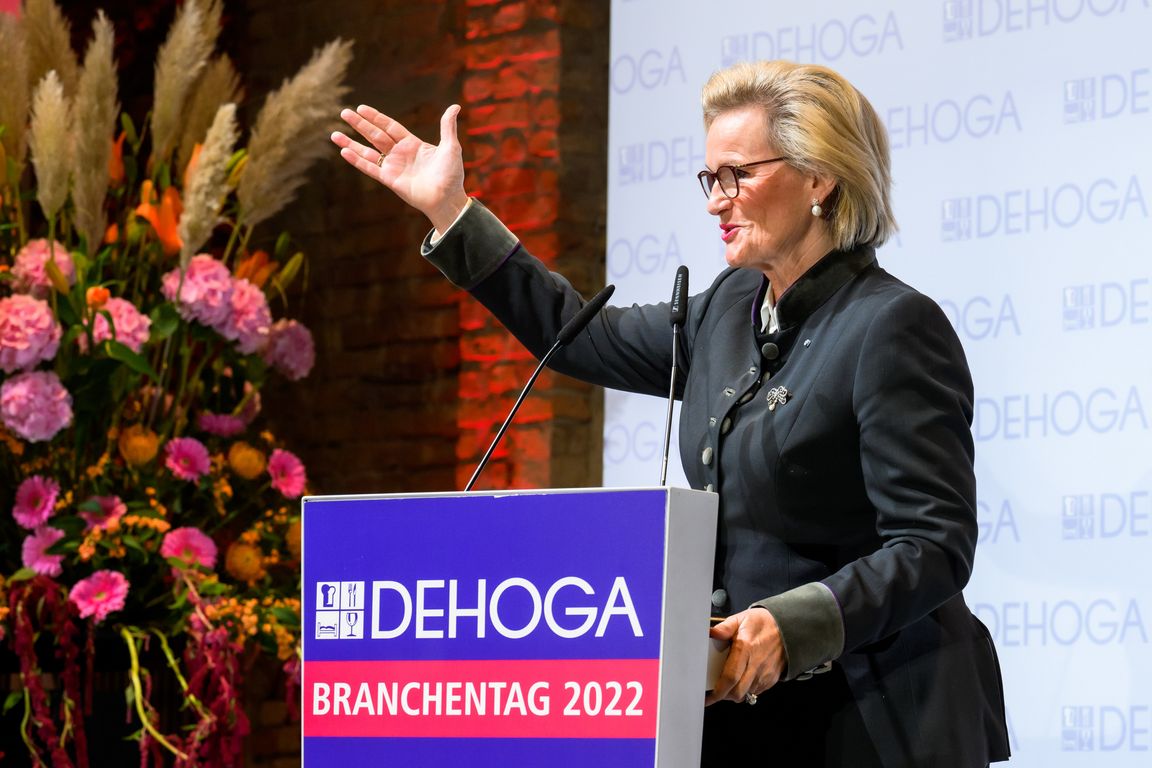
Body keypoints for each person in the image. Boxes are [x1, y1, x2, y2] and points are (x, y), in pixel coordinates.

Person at [331, 59, 1010, 768]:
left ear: (820, 178)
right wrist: (453, 213)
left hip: (874, 718)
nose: (717, 202)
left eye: (738, 175)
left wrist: (791, 625)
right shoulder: (728, 308)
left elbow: (933, 544)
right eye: (710, 178)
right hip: (738, 712)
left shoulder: (891, 326)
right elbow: (577, 336)